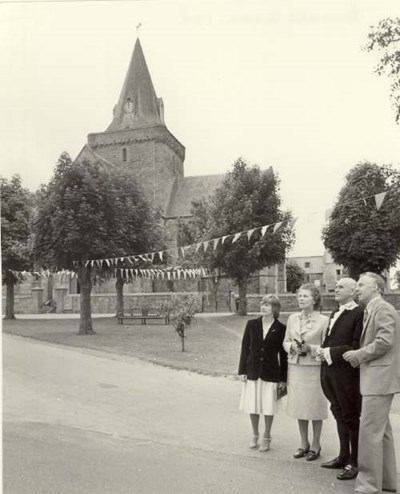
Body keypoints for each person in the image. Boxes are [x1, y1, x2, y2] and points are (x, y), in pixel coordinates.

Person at [343, 272, 400, 494]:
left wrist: (359, 355)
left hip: (379, 379)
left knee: (370, 432)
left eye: (361, 284)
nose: (357, 288)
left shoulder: (382, 308)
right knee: (381, 432)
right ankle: (386, 481)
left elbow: (385, 342)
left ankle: (368, 484)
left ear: (376, 287)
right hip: (379, 378)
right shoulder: (374, 309)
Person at [316, 278, 363, 481]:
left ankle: (354, 461)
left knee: (350, 416)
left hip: (347, 375)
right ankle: (343, 456)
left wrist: (328, 351)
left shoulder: (359, 313)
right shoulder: (335, 312)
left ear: (353, 292)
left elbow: (356, 346)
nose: (336, 289)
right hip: (329, 372)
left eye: (341, 286)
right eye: (335, 286)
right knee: (338, 413)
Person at [283, 283, 329, 461]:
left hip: (314, 368)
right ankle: (303, 443)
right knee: (300, 406)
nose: (301, 299)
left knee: (315, 406)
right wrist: (291, 347)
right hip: (296, 366)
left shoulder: (324, 321)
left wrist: (311, 348)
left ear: (315, 299)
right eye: (299, 296)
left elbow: (326, 346)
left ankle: (316, 444)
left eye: (305, 296)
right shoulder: (292, 318)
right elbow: (286, 341)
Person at [238, 294, 288, 452]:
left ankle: (266, 436)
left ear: (275, 308)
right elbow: (245, 348)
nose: (263, 307)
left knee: (268, 405)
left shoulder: (281, 329)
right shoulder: (251, 324)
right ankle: (254, 434)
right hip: (252, 370)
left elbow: (284, 356)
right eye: (262, 304)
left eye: (267, 305)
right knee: (252, 405)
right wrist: (243, 371)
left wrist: (283, 379)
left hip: (271, 372)